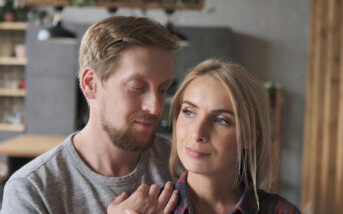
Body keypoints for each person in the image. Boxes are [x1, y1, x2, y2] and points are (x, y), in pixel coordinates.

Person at [1, 16, 180, 214]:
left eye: (163, 90)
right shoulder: (31, 190)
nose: (155, 107)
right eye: (137, 87)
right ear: (90, 84)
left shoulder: (180, 163)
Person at [167, 59, 301, 213]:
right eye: (189, 112)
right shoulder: (147, 208)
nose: (197, 133)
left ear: (249, 136)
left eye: (221, 120)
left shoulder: (281, 211)